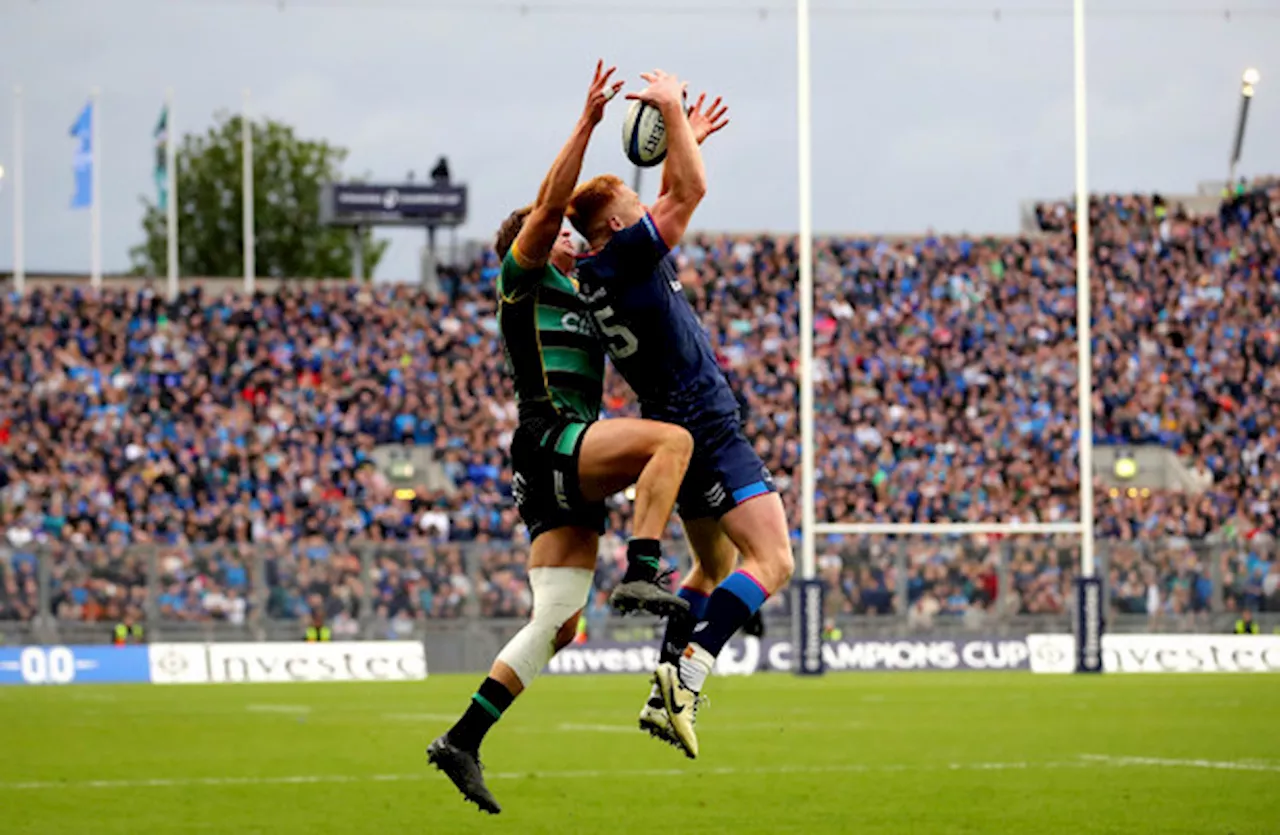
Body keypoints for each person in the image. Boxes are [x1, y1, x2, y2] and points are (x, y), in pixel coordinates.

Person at [428, 62, 697, 815]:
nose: (576, 243)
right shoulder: (523, 277)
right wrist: (585, 123)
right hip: (554, 440)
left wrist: (683, 137)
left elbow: (666, 217)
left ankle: (462, 740)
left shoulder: (586, 286)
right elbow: (552, 206)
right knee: (670, 443)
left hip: (552, 459)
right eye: (561, 237)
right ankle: (645, 568)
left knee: (558, 623)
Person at [567, 71, 794, 760]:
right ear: (615, 223)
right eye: (633, 203)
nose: (645, 207)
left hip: (677, 429)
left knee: (708, 567)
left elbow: (671, 191)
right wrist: (670, 108)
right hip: (705, 423)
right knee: (773, 558)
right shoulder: (629, 255)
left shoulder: (600, 266)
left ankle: (660, 689)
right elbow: (688, 193)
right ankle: (691, 674)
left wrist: (685, 134)